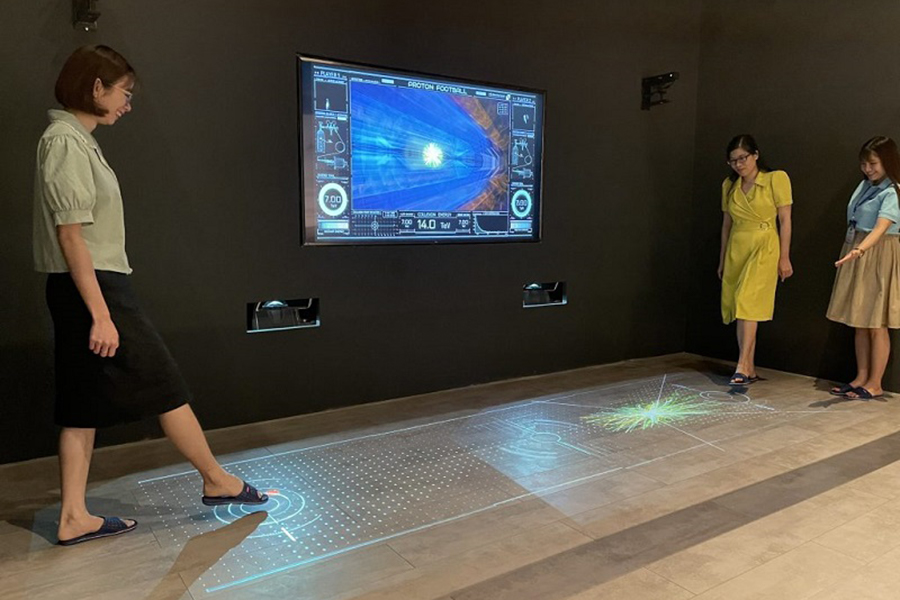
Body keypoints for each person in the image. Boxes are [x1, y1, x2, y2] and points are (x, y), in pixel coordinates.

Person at [33, 45, 267, 546]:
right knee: (164, 383)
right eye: (124, 93)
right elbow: (70, 236)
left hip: (84, 285)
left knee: (80, 402)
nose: (127, 104)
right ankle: (216, 479)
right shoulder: (66, 141)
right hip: (93, 286)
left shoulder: (75, 140)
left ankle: (73, 515)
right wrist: (101, 314)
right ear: (96, 87)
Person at [826, 136, 900, 400]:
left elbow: (881, 228)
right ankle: (861, 377)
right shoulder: (866, 185)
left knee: (876, 322)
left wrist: (859, 250)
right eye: (864, 164)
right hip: (857, 248)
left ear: (887, 161)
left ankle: (875, 383)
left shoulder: (892, 192)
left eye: (873, 164)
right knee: (859, 319)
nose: (868, 169)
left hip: (877, 254)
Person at [717, 134, 794, 385]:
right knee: (741, 307)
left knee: (748, 302)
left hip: (764, 245)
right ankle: (748, 366)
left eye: (744, 158)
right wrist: (722, 259)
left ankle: (741, 365)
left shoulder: (775, 179)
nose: (739, 164)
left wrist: (784, 257)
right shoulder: (729, 186)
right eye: (734, 161)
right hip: (737, 247)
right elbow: (726, 225)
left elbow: (785, 220)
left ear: (756, 155)